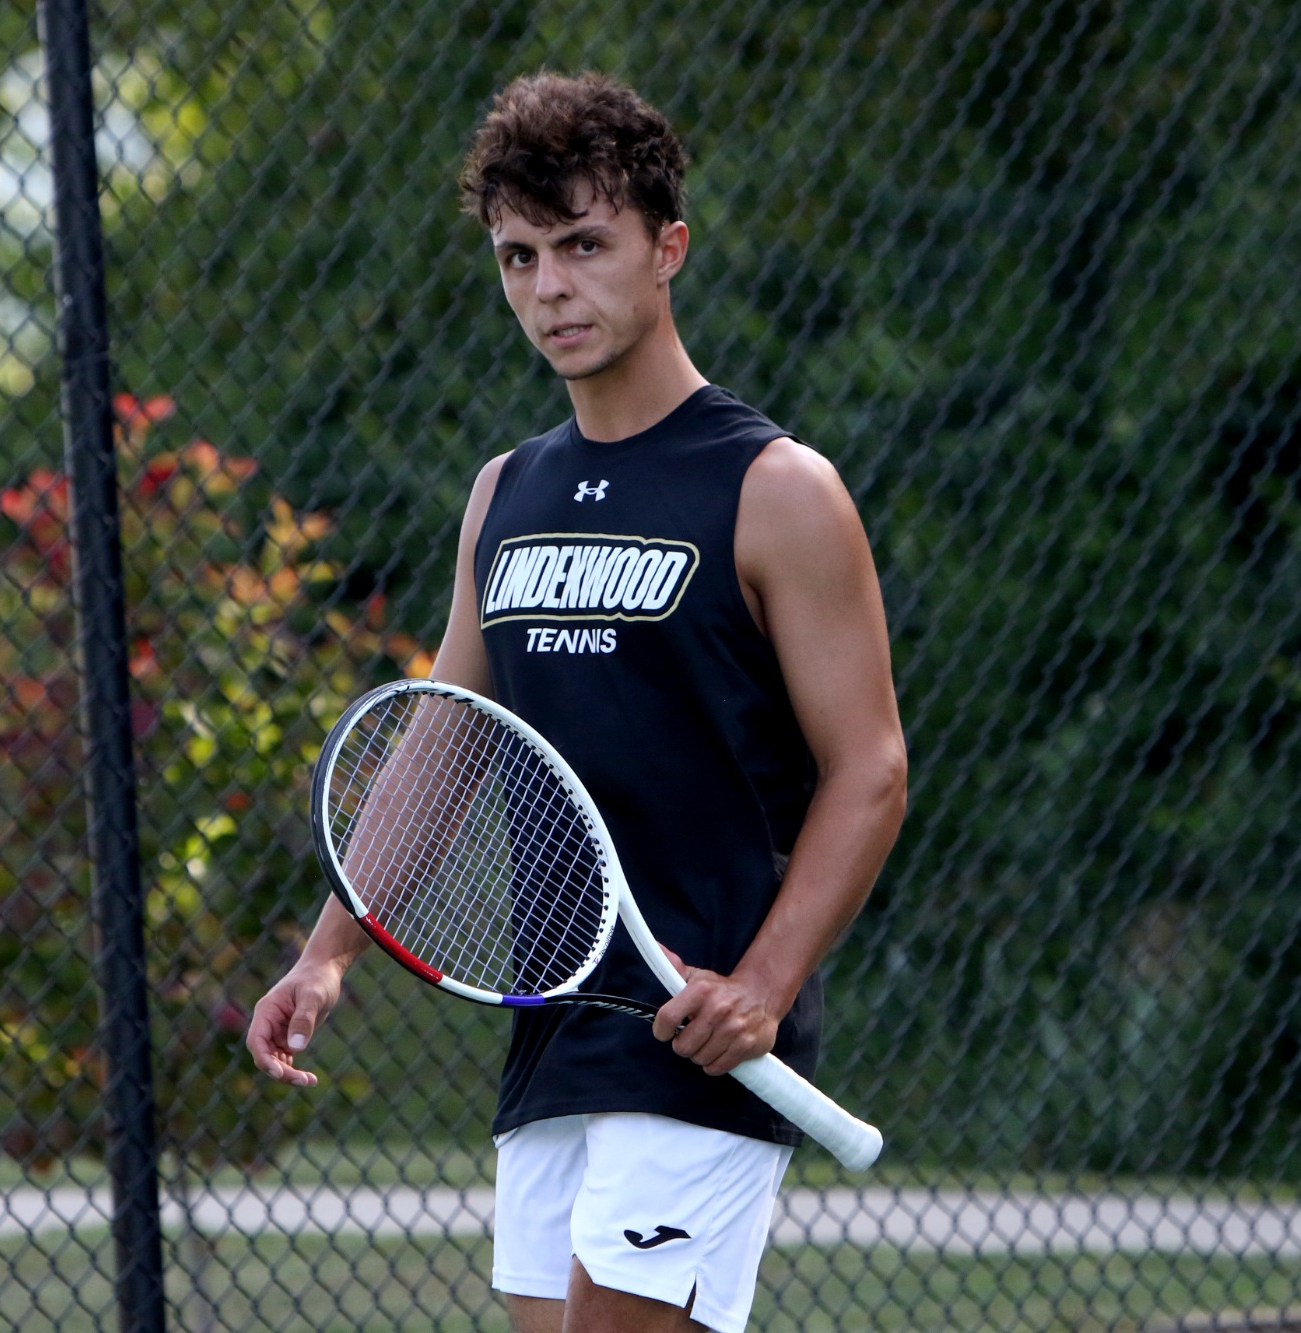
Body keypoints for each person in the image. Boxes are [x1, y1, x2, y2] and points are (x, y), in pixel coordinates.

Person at [248, 71, 905, 1333]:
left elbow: (868, 767)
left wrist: (760, 986)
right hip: (555, 1028)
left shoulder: (776, 488)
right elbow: (444, 738)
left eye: (583, 246)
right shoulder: (505, 494)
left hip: (700, 1028)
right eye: (518, 256)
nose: (550, 287)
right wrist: (327, 951)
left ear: (667, 250)